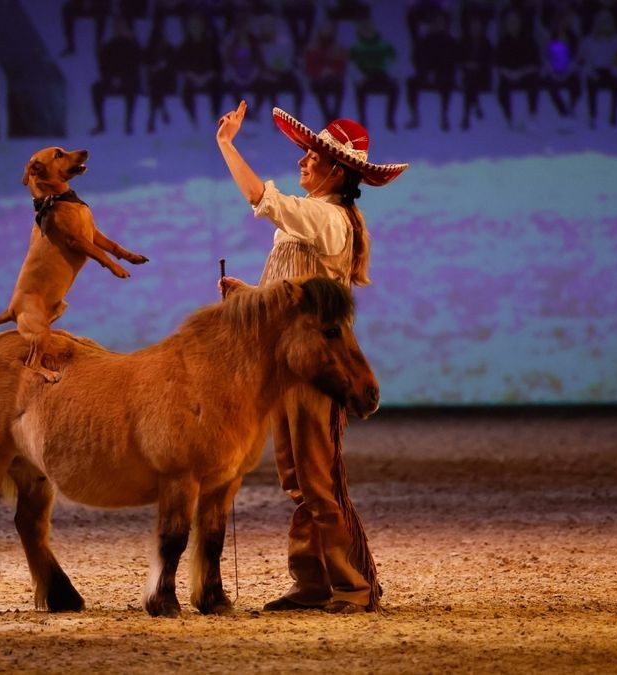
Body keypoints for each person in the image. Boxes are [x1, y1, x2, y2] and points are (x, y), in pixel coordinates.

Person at [215, 100, 407, 614]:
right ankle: (314, 581)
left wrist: (227, 146)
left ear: (337, 171)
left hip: (316, 368)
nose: (302, 161)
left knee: (320, 480)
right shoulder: (314, 221)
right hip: (289, 366)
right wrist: (248, 295)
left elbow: (261, 197)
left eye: (312, 157)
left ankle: (352, 585)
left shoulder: (329, 219)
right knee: (301, 481)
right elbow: (289, 295)